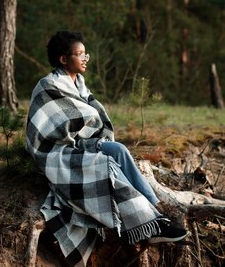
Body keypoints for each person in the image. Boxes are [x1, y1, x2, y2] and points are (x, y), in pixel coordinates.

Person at [25, 30, 188, 267]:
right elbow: (46, 131)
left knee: (118, 149)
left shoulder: (79, 84)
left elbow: (90, 117)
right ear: (63, 59)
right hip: (56, 152)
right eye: (79, 54)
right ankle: (146, 224)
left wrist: (92, 137)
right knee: (105, 165)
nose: (85, 59)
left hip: (79, 144)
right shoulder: (48, 85)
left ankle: (154, 209)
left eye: (86, 54)